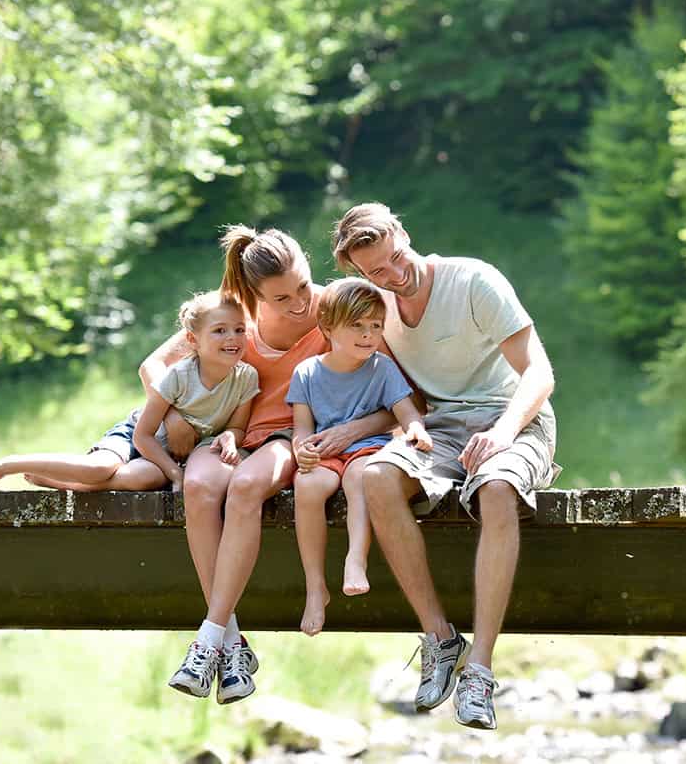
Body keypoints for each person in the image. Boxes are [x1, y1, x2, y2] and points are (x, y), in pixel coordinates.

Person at [332, 202, 558, 730]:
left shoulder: (474, 279)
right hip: (439, 427)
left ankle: (479, 669)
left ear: (404, 233)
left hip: (515, 418)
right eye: (375, 272)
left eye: (395, 258)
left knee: (497, 487)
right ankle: (439, 638)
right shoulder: (377, 308)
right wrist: (353, 430)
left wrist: (503, 432)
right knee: (376, 478)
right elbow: (404, 398)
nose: (392, 275)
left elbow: (540, 373)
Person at [150, 226, 395, 706]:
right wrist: (177, 414)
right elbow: (153, 366)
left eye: (303, 285)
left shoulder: (337, 308)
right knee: (197, 486)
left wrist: (351, 431)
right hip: (232, 434)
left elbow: (397, 396)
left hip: (293, 437)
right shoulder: (231, 315)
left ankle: (207, 639)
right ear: (253, 294)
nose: (300, 302)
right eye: (281, 297)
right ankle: (232, 644)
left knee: (245, 488)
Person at [0, 292, 257, 495]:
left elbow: (236, 427)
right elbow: (142, 436)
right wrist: (175, 472)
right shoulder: (178, 377)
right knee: (101, 467)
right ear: (193, 339)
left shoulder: (246, 378)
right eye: (220, 331)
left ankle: (69, 485)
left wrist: (230, 437)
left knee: (147, 478)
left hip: (162, 457)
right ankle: (7, 465)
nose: (233, 338)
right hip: (137, 436)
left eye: (240, 330)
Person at [286, 277, 432, 636]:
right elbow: (301, 428)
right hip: (325, 454)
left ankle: (356, 559)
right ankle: (316, 585)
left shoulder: (381, 367)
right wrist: (302, 451)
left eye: (375, 326)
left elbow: (406, 410)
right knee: (308, 486)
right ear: (328, 327)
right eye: (357, 325)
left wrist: (416, 429)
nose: (368, 335)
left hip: (367, 449)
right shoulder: (306, 372)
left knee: (360, 478)